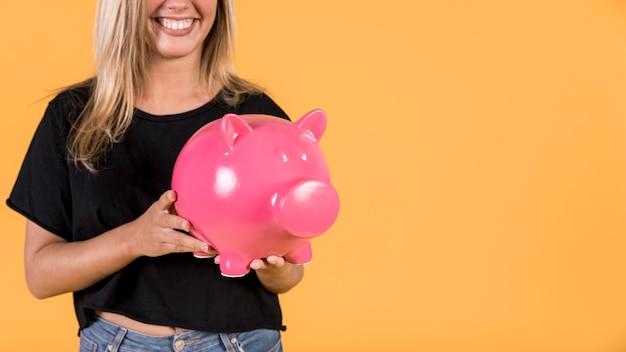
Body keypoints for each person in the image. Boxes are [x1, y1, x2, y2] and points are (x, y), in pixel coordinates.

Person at [6, 0, 304, 351]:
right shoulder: (74, 117)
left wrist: (276, 270)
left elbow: (290, 269)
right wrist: (135, 239)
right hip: (120, 343)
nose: (179, 3)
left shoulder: (258, 117)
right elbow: (40, 276)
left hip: (244, 342)